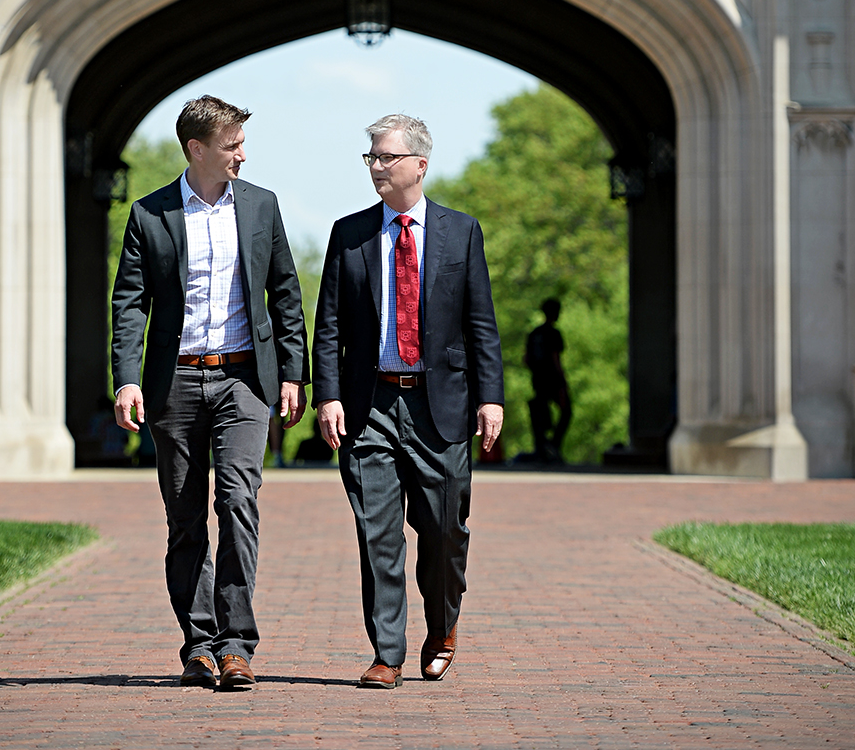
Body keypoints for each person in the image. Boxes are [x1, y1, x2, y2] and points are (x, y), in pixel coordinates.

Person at [111, 95, 309, 690]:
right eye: (232, 146)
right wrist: (126, 377)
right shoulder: (150, 216)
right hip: (174, 384)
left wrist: (293, 373)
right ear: (197, 149)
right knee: (186, 518)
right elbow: (129, 304)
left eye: (242, 144)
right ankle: (198, 643)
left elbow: (286, 293)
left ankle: (237, 643)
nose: (242, 156)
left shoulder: (260, 207)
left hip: (244, 380)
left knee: (239, 503)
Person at [313, 113, 504, 689]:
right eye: (370, 156)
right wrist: (328, 396)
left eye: (385, 157)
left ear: (419, 164)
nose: (375, 166)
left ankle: (442, 628)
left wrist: (490, 399)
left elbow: (480, 326)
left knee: (444, 532)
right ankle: (387, 654)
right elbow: (328, 327)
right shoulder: (349, 234)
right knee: (379, 535)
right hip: (370, 406)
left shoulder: (460, 232)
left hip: (438, 407)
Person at [524, 298, 570, 463]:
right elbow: (555, 359)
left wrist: (537, 371)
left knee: (540, 417)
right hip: (553, 381)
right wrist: (563, 383)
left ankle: (543, 448)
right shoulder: (553, 334)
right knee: (566, 411)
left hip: (538, 381)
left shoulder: (534, 333)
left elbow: (526, 359)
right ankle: (552, 445)